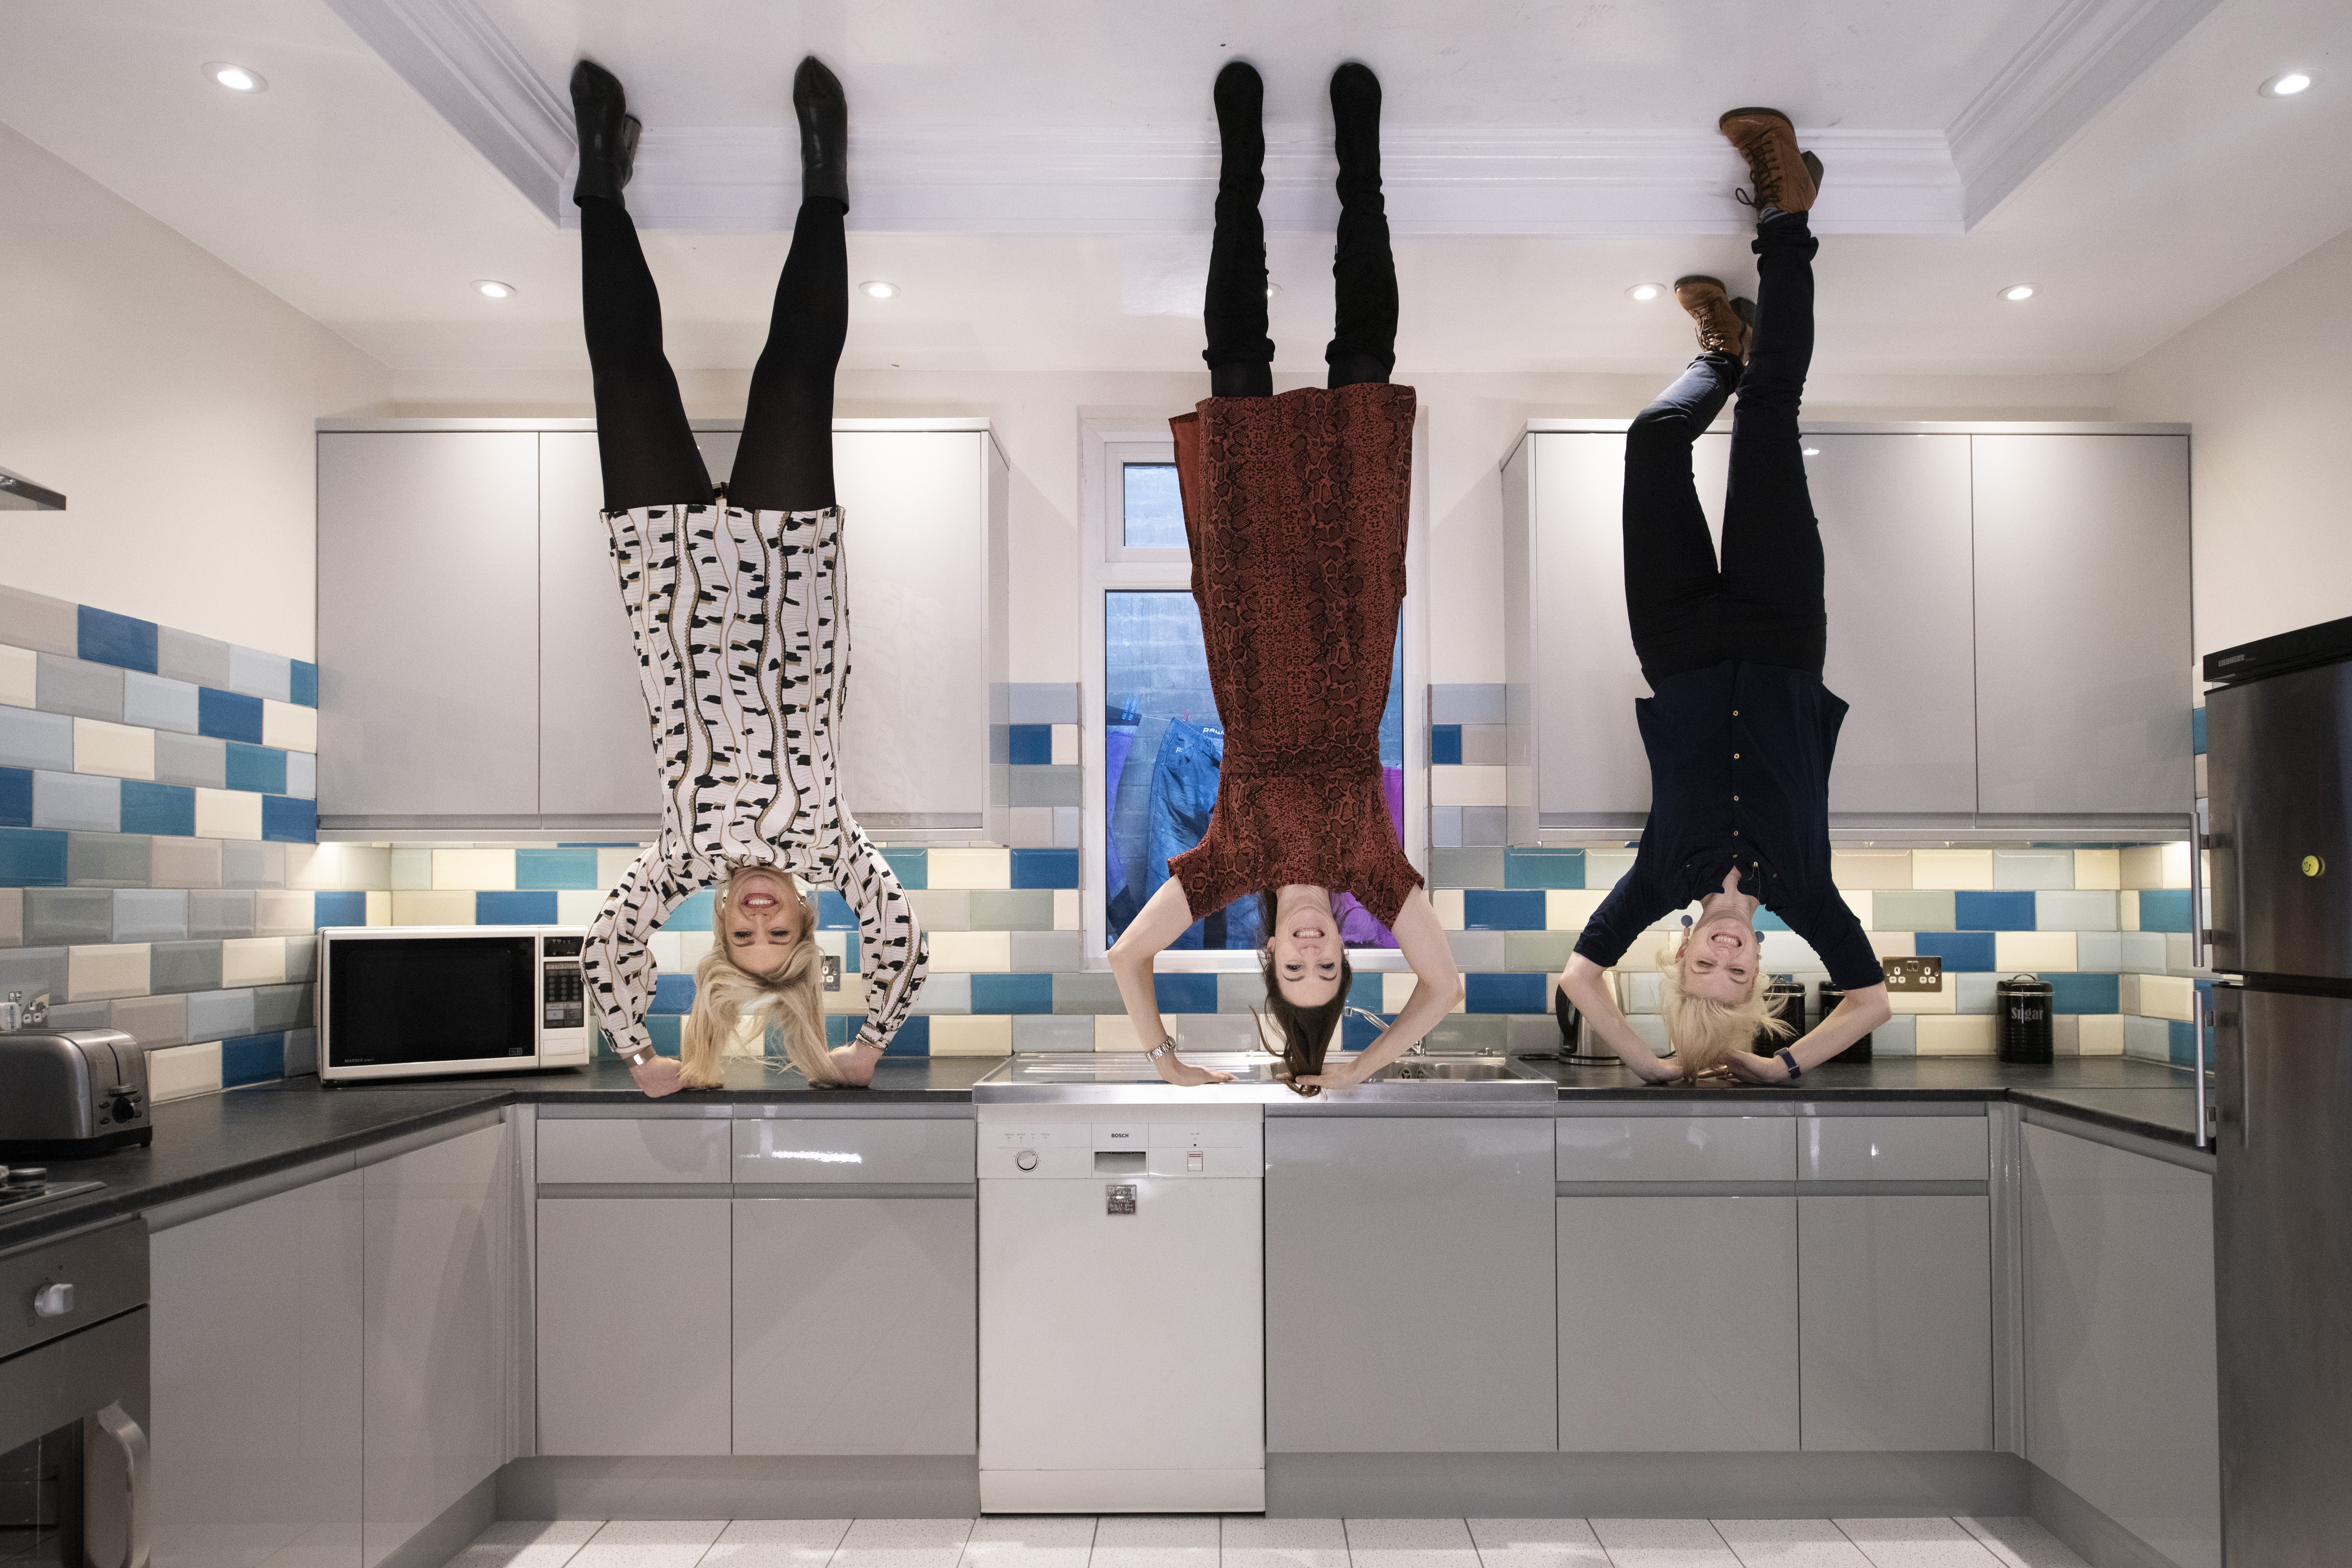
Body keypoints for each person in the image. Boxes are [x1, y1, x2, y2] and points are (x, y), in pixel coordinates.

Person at [570, 55, 926, 1096]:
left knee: (628, 374)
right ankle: (827, 178)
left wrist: (640, 1052)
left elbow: (607, 944)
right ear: (811, 920)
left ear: (719, 918)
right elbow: (904, 939)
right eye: (777, 932)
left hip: (662, 580)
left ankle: (600, 176)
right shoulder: (833, 846)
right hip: (791, 576)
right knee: (793, 373)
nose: (760, 917)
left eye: (745, 930)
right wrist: (866, 1045)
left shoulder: (679, 860)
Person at [1106, 60, 1463, 1095]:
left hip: (1252, 600)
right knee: (1367, 364)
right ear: (1350, 956)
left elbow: (1132, 960)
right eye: (1328, 967)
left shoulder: (1230, 865)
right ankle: (1362, 160)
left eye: (1293, 966)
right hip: (1354, 601)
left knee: (1235, 367)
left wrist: (1168, 1064)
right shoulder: (1373, 871)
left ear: (1267, 957)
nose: (1311, 948)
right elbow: (1443, 993)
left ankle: (1242, 158)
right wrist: (1357, 1072)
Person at [1553, 108, 1891, 1085]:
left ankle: (1718, 355)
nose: (1724, 956)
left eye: (1703, 966)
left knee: (1652, 444)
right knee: (1769, 424)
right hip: (1786, 635)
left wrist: (1656, 1066)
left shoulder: (1658, 885)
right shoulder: (1813, 897)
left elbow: (1580, 981)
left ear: (1682, 954)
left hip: (1679, 645)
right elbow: (1869, 1001)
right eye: (1736, 974)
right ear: (1760, 976)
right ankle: (1786, 211)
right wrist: (1785, 1070)